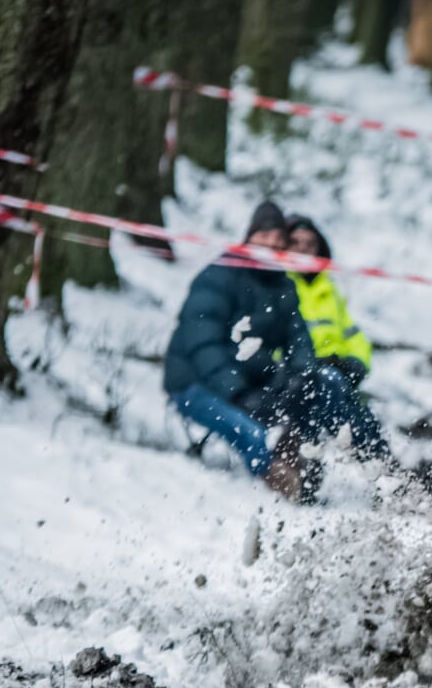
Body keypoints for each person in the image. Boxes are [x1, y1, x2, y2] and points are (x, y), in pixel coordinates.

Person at [163, 201, 388, 499]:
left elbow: (299, 340)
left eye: (279, 240)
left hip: (253, 378)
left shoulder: (283, 285)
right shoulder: (219, 275)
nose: (271, 244)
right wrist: (238, 392)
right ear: (250, 237)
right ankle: (282, 480)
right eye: (264, 236)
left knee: (317, 390)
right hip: (195, 383)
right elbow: (203, 343)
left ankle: (380, 468)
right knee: (255, 434)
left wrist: (303, 374)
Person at [284, 215, 373, 389]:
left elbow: (353, 334)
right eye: (295, 242)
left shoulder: (330, 289)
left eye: (310, 244)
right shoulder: (277, 286)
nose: (303, 248)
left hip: (335, 374)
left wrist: (357, 363)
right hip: (294, 378)